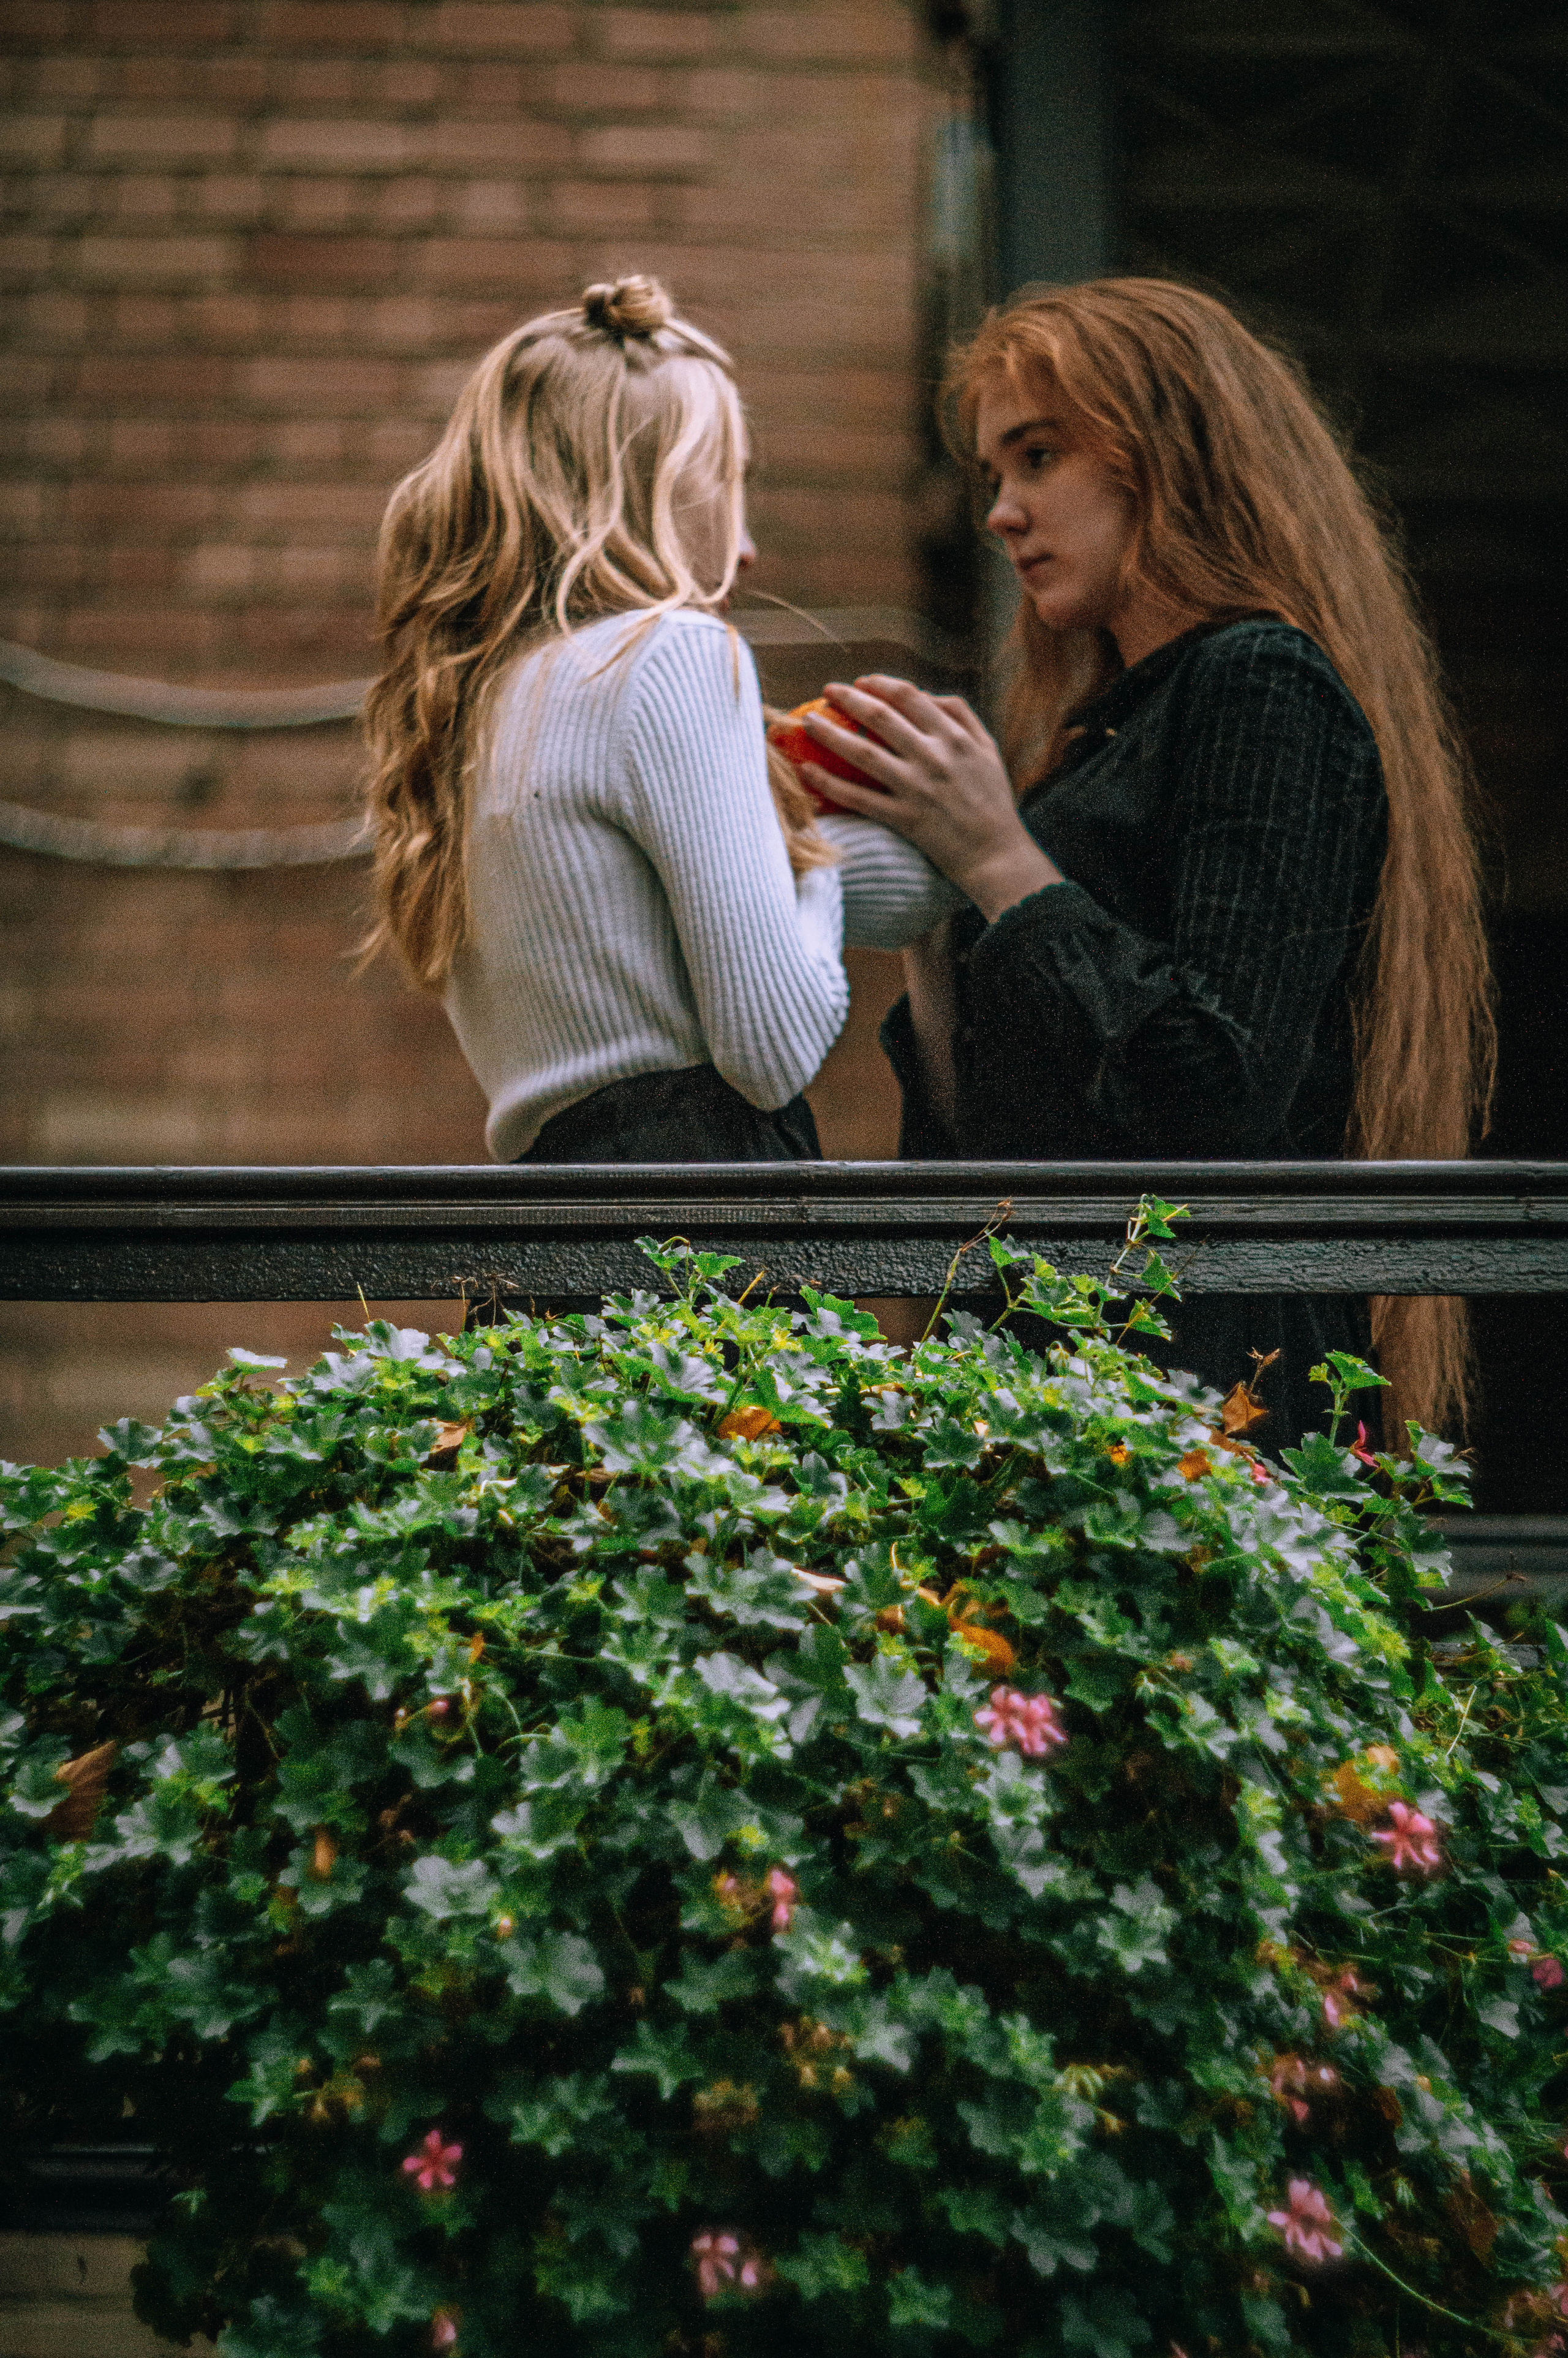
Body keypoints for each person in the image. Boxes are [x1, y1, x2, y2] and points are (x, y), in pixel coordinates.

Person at [790, 278, 1493, 1449]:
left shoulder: (1261, 684)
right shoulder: (1091, 743)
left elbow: (1215, 1090)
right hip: (1063, 1392)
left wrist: (997, 856)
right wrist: (935, 907)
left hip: (1208, 1399)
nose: (1003, 513)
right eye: (994, 473)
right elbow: (978, 1152)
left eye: (1040, 455)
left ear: (1166, 457)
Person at [360, 274, 956, 1166]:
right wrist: (820, 876)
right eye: (729, 482)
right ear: (655, 488)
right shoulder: (668, 653)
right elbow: (772, 1046)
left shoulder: (475, 702)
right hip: (695, 1238)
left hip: (549, 1237)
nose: (748, 546)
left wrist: (966, 851)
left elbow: (660, 941)